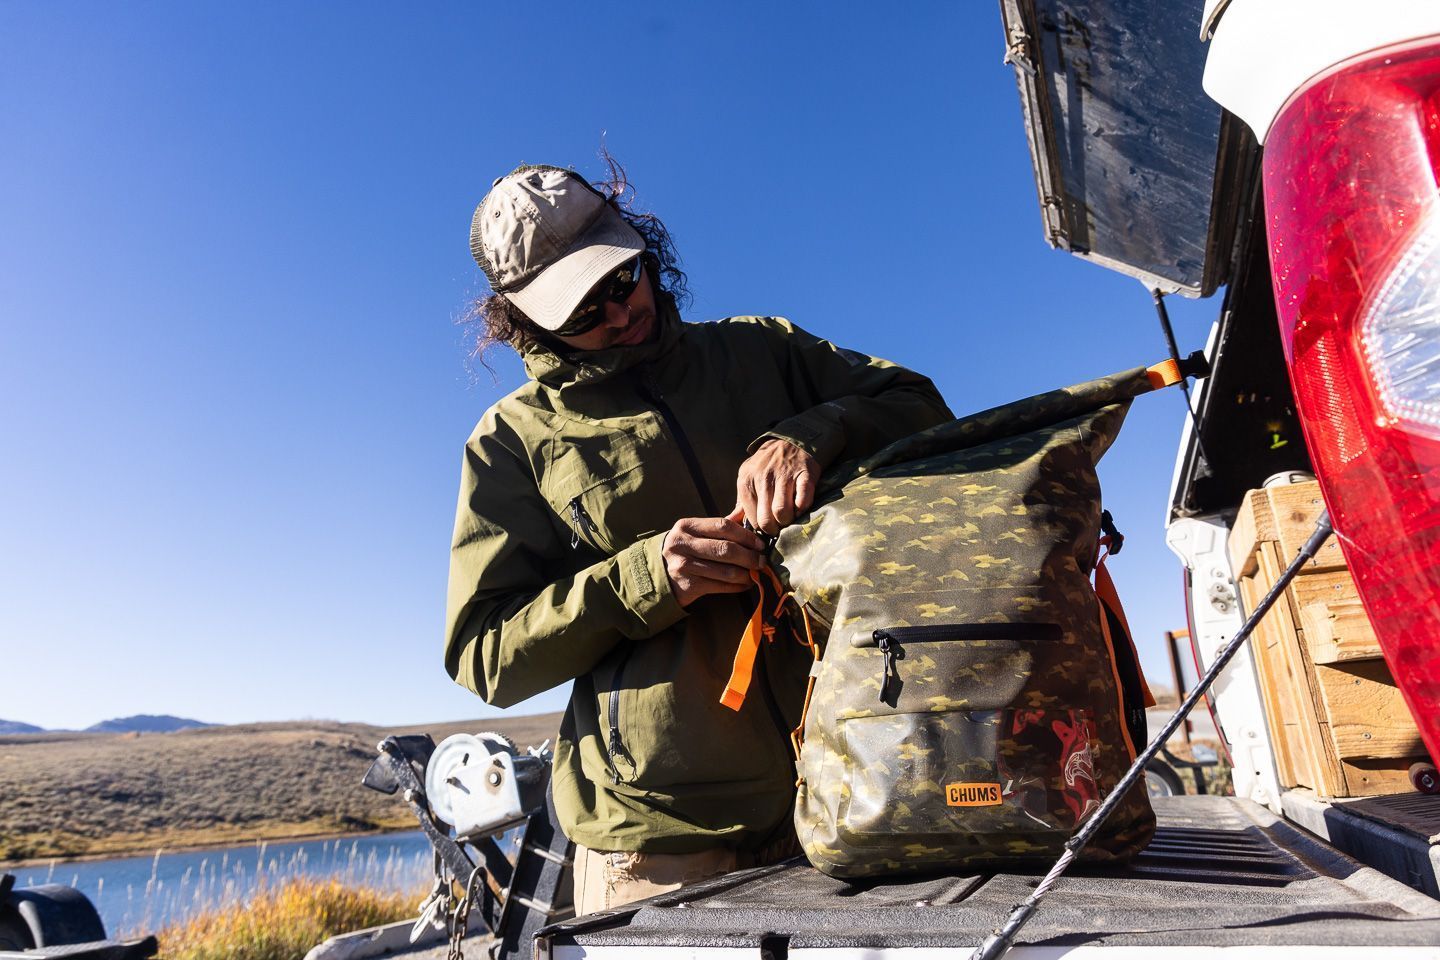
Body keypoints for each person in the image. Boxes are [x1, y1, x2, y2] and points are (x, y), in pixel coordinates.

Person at [444, 160, 952, 913]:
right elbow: (484, 655)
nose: (619, 313)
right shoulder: (511, 441)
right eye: (580, 312)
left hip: (849, 789)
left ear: (641, 246)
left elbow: (922, 408)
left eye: (622, 279)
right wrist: (646, 580)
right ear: (524, 321)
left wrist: (815, 433)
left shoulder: (762, 350)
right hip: (659, 842)